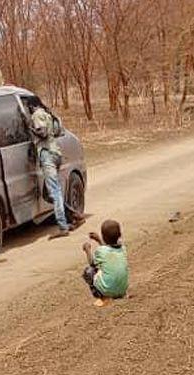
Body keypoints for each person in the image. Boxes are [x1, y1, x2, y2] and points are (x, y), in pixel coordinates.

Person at [29, 103, 82, 239]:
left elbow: (43, 132)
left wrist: (31, 129)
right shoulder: (49, 115)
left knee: (54, 191)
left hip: (47, 154)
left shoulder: (36, 115)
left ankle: (63, 226)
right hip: (56, 153)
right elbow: (58, 131)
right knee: (47, 194)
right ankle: (74, 214)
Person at [81, 219, 129, 307]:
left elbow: (92, 263)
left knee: (89, 271)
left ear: (104, 237)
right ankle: (118, 294)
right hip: (122, 289)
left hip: (108, 290)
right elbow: (109, 250)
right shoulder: (123, 249)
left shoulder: (101, 251)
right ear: (120, 235)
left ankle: (101, 296)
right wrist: (99, 240)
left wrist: (87, 250)